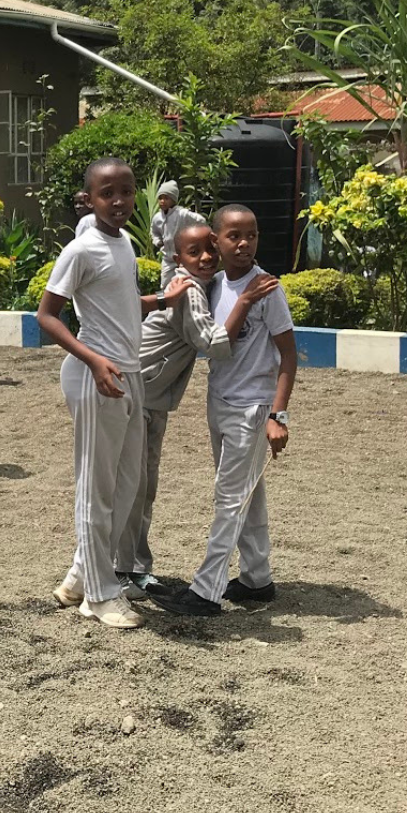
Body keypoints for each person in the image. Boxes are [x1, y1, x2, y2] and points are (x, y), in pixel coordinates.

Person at [35, 158, 190, 629]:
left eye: (126, 191)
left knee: (128, 484)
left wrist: (164, 298)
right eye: (108, 193)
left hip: (128, 372)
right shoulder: (81, 249)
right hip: (94, 375)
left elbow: (121, 304)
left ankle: (82, 575)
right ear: (90, 199)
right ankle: (100, 597)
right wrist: (93, 360)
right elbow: (47, 316)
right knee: (96, 488)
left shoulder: (121, 243)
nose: (120, 201)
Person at [115, 223, 277, 598]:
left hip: (152, 399)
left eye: (209, 248)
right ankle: (122, 569)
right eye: (194, 252)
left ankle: (133, 567)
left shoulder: (206, 284)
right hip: (136, 392)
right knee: (133, 485)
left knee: (144, 484)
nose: (205, 257)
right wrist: (246, 300)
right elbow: (215, 344)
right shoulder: (190, 290)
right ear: (177, 259)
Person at [153, 204, 297, 618]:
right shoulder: (215, 285)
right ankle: (256, 579)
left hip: (251, 408)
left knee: (230, 498)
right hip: (219, 402)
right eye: (234, 236)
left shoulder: (267, 288)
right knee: (247, 495)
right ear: (216, 242)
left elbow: (288, 355)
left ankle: (205, 591)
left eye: (251, 235)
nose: (245, 243)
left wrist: (277, 415)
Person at [149, 181, 204, 283]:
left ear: (174, 200)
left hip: (182, 256)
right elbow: (154, 231)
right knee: (165, 282)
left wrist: (193, 239)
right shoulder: (157, 218)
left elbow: (200, 220)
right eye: (160, 198)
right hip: (167, 258)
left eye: (166, 198)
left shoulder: (182, 214)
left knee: (184, 280)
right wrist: (157, 241)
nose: (162, 201)